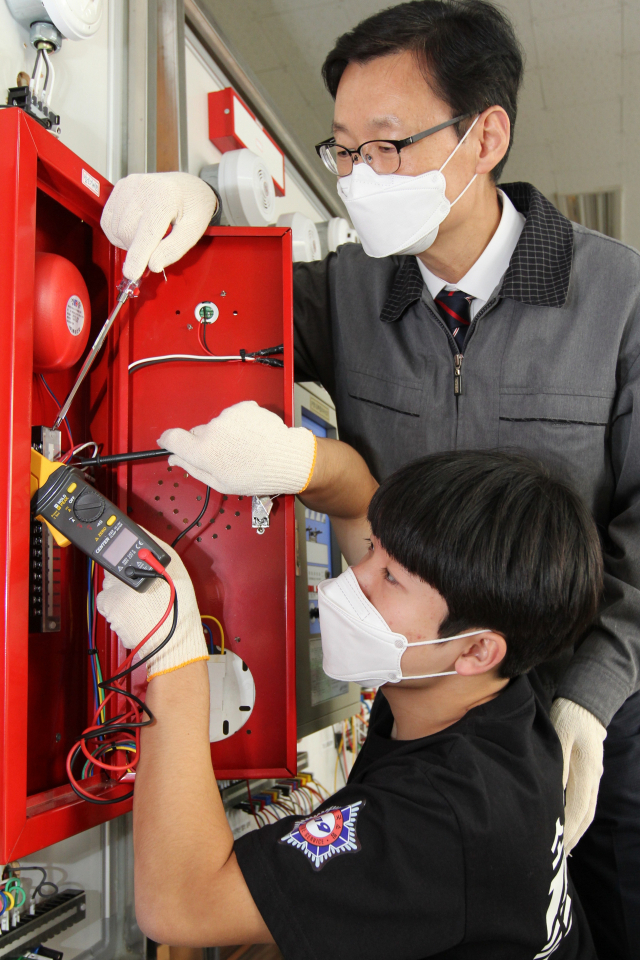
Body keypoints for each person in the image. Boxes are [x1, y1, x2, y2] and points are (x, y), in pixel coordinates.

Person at [101, 2, 640, 953]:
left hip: (586, 709)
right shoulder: (349, 289)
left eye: (388, 146)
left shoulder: (619, 298)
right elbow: (226, 320)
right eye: (343, 150)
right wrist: (201, 215)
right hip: (423, 695)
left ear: (486, 135)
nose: (358, 178)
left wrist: (589, 697)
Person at [98, 449, 602, 959]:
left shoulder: (440, 818)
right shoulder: (487, 692)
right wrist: (302, 462)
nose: (350, 580)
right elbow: (360, 501)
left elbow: (178, 907)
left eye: (390, 578)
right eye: (373, 550)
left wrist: (174, 654)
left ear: (476, 649)